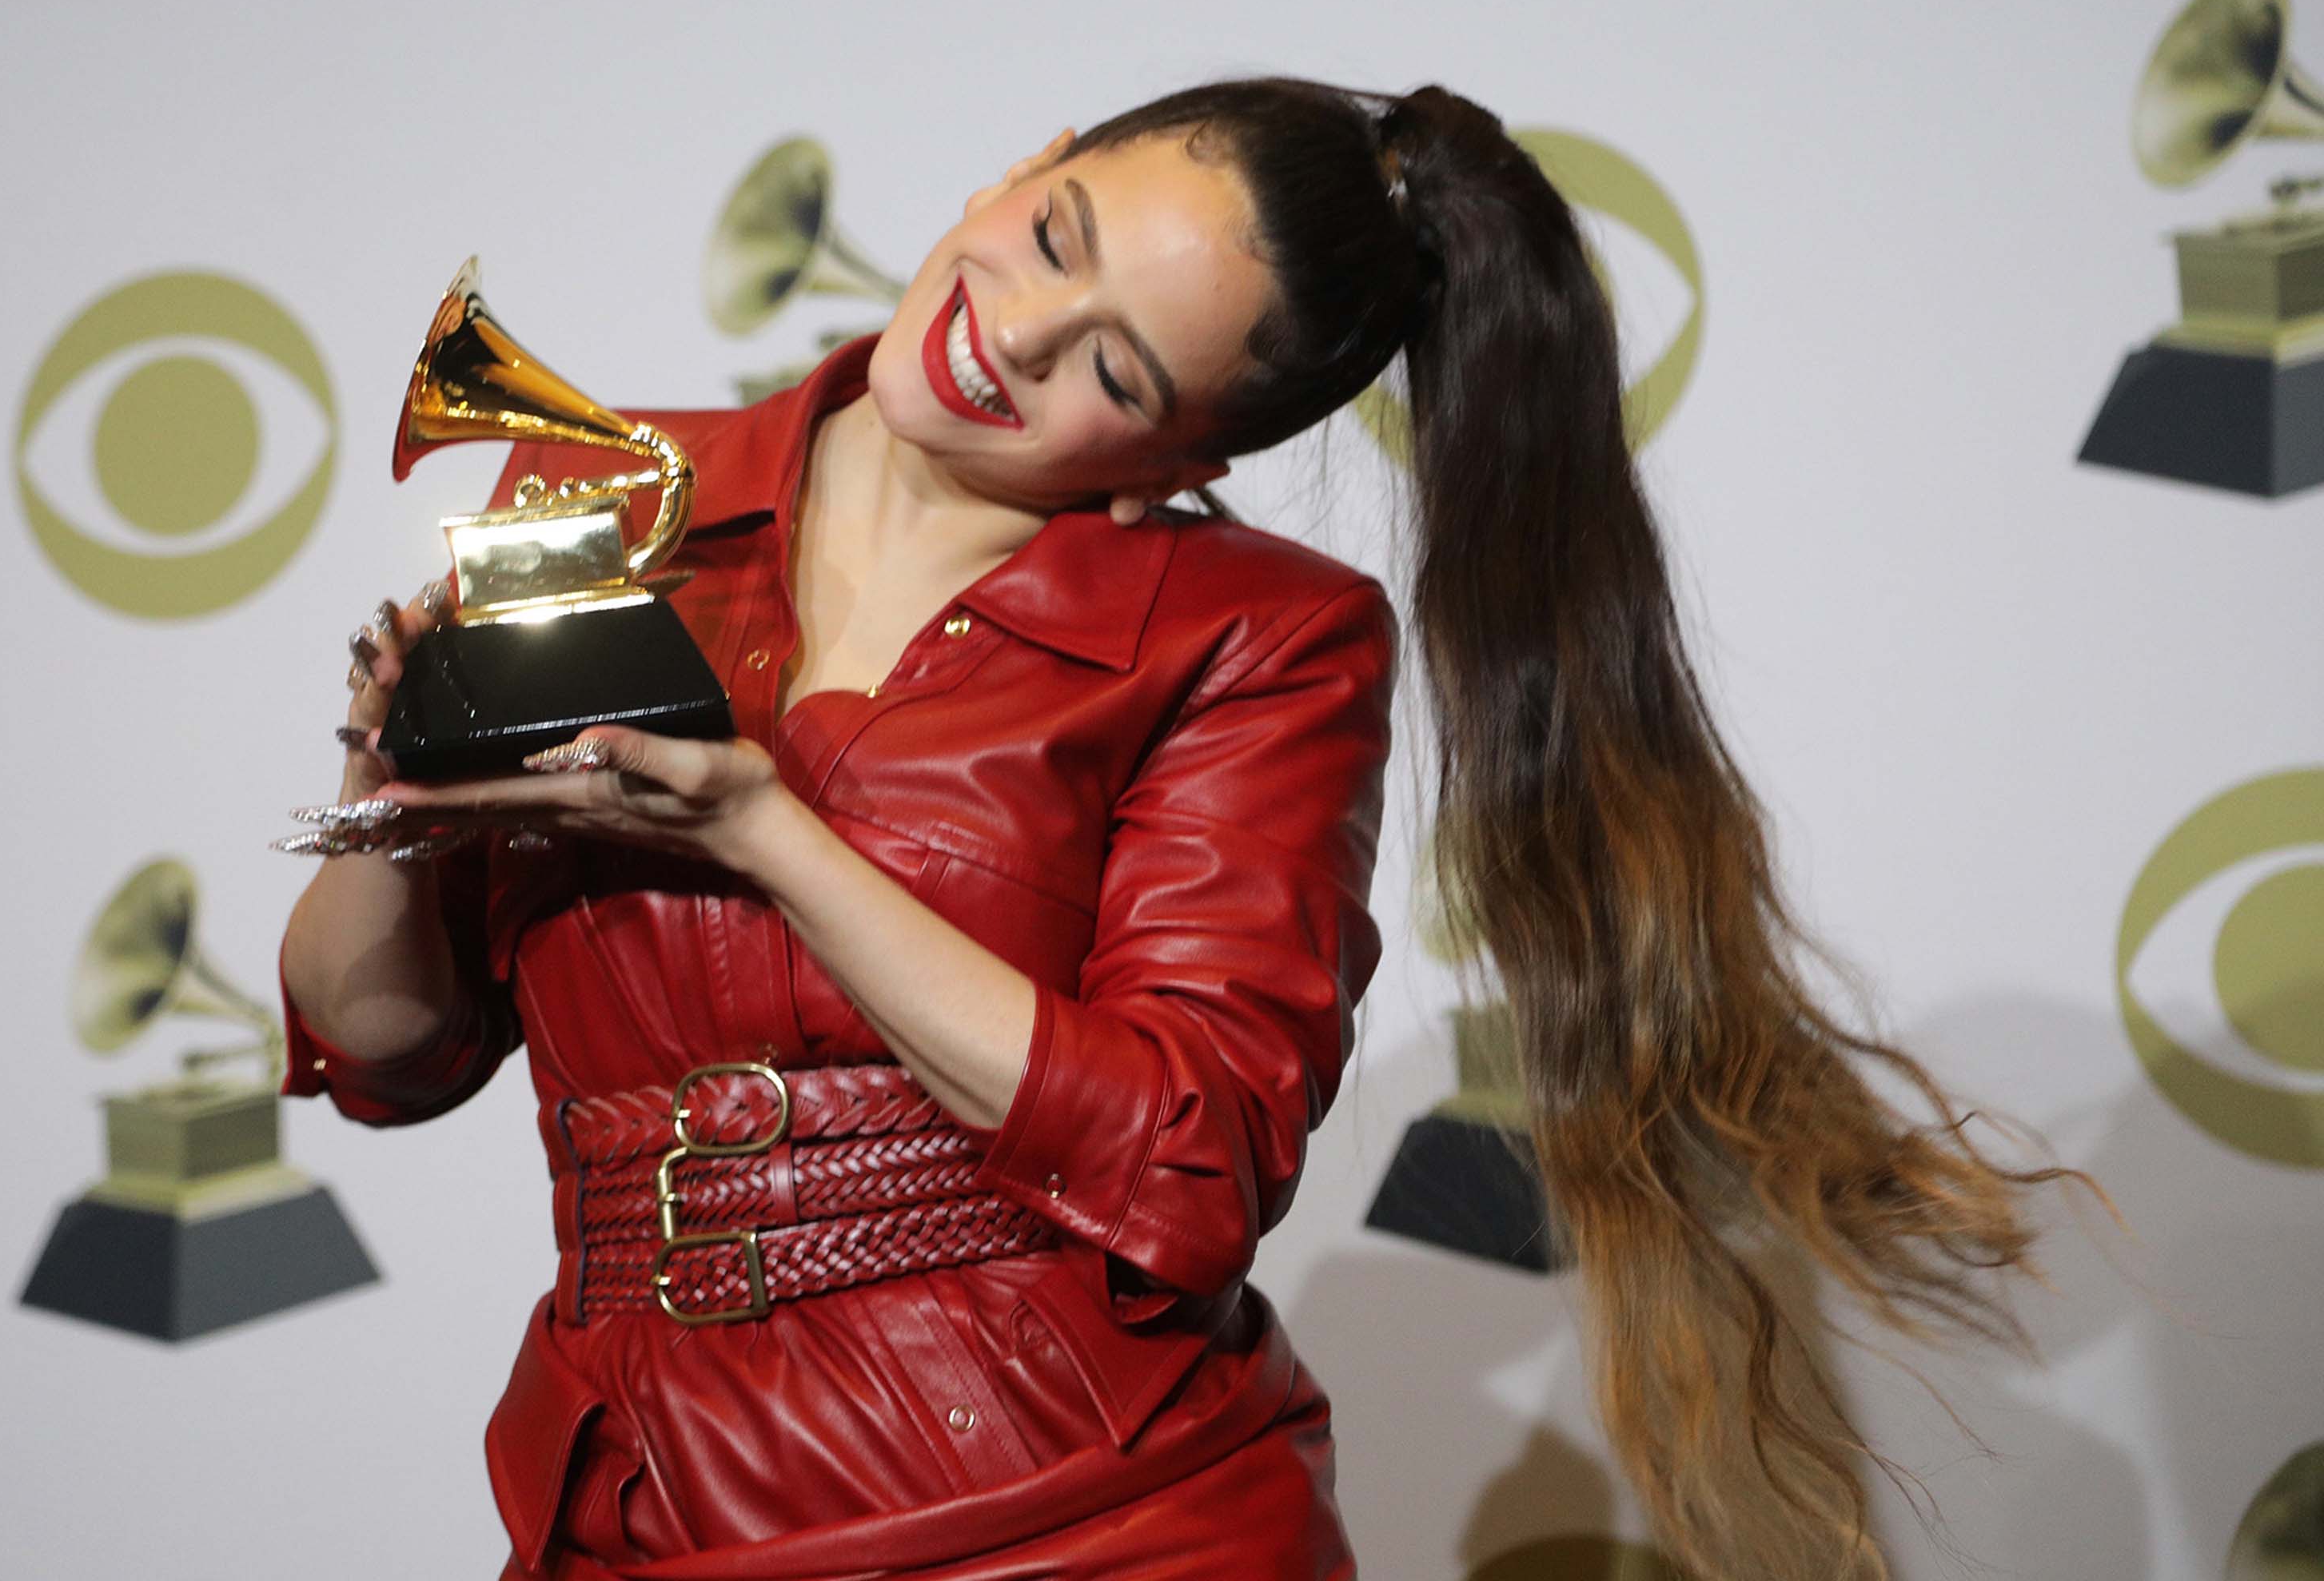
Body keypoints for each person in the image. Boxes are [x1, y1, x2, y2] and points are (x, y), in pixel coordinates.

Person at [277, 78, 2076, 1581]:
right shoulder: (599, 485)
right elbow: (382, 1039)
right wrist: (398, 797)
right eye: (1051, 236)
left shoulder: (1259, 634)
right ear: (1016, 170)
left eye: (1116, 371)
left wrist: (769, 833)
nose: (1011, 335)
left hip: (1078, 1518)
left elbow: (1189, 1159)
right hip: (631, 1497)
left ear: (1170, 462)